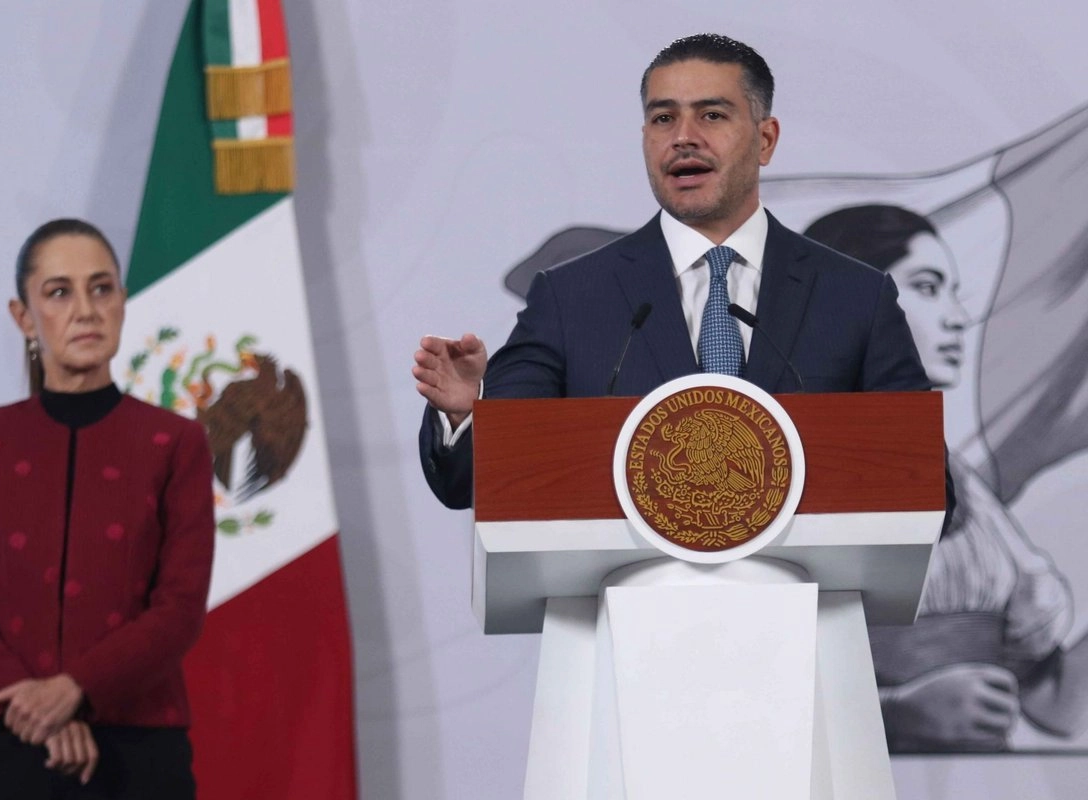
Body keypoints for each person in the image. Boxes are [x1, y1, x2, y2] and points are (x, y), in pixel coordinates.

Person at [413, 33, 930, 509]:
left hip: (805, 599)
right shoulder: (571, 299)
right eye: (663, 119)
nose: (683, 137)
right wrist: (470, 413)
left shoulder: (855, 296)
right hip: (628, 602)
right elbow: (471, 485)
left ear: (766, 139)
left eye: (711, 116)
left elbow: (925, 483)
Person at [0, 218, 216, 798]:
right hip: (4, 743)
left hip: (137, 753)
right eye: (59, 292)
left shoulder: (176, 443)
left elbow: (180, 607)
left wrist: (76, 689)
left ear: (123, 302)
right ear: (23, 316)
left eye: (101, 288)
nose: (86, 309)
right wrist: (35, 709)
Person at [804, 203, 1086, 751]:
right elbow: (724, 681)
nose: (958, 316)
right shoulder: (772, 464)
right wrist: (893, 714)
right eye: (929, 288)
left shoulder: (961, 483)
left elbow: (1054, 704)